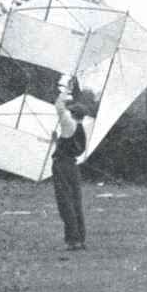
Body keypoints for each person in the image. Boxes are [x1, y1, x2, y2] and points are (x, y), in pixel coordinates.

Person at [53, 79, 88, 251]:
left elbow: (59, 106)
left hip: (62, 166)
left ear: (73, 113)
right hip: (72, 167)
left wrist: (66, 89)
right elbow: (69, 145)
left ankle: (72, 239)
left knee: (64, 202)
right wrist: (56, 142)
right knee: (75, 202)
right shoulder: (80, 128)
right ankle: (80, 238)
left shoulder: (69, 123)